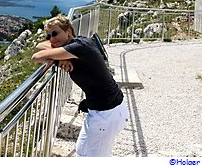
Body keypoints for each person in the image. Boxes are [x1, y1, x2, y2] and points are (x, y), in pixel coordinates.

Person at [31, 15, 129, 157]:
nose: (51, 39)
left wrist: (58, 58)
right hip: (110, 111)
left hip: (105, 115)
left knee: (86, 155)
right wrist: (61, 58)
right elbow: (40, 46)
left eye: (55, 33)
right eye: (49, 36)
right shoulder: (80, 42)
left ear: (69, 31)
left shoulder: (79, 48)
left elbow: (37, 57)